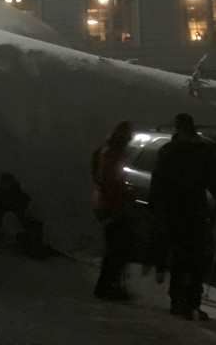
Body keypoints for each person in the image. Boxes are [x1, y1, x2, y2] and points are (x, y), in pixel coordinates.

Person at [149, 114, 216, 320]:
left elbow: (157, 185)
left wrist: (157, 209)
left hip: (178, 211)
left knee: (183, 258)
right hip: (192, 211)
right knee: (194, 259)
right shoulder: (201, 151)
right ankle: (190, 302)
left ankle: (181, 302)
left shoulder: (169, 152)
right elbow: (213, 180)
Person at [91, 120, 135, 301]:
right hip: (112, 204)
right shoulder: (114, 153)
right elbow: (112, 181)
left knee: (115, 247)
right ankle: (107, 286)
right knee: (117, 248)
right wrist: (123, 198)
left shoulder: (105, 150)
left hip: (105, 202)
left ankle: (109, 285)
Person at [0, 172, 47, 259]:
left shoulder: (19, 193)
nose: (7, 185)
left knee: (33, 210)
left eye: (9, 182)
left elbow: (28, 206)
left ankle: (36, 241)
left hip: (24, 221)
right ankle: (25, 242)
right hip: (12, 225)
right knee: (8, 217)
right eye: (5, 183)